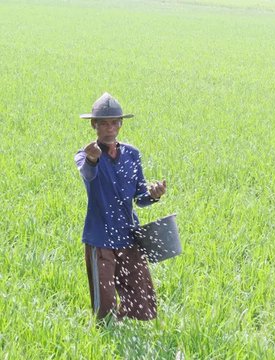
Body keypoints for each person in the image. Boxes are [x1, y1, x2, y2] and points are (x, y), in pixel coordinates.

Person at [75, 92, 166, 322]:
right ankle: (107, 337)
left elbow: (140, 196)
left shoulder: (132, 155)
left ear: (121, 124)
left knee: (140, 298)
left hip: (128, 235)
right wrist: (92, 159)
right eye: (103, 123)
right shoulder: (85, 155)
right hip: (100, 238)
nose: (109, 128)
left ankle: (129, 331)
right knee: (104, 305)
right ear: (94, 125)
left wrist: (153, 194)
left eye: (114, 122)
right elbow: (88, 173)